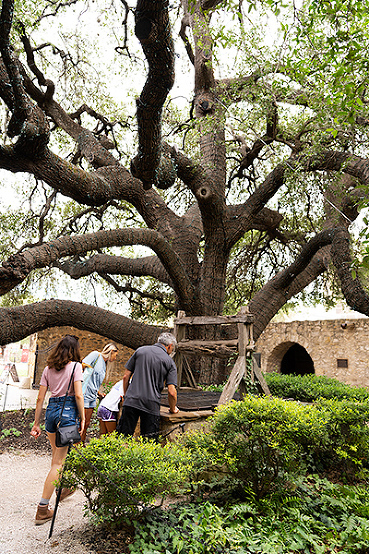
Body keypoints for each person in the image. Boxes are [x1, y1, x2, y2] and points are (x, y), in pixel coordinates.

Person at [30, 335, 85, 525]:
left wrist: (36, 423)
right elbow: (78, 394)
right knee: (58, 463)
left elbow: (39, 399)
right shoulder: (77, 367)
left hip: (51, 412)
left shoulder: (47, 369)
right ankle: (42, 509)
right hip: (68, 413)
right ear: (74, 350)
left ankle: (63, 489)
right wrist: (83, 417)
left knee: (56, 458)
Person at [117, 332, 179, 440]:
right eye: (172, 349)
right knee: (149, 443)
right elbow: (172, 392)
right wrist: (173, 408)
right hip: (151, 404)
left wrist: (127, 395)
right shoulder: (169, 362)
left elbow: (125, 376)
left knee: (122, 439)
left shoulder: (140, 350)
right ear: (170, 346)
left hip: (131, 400)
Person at [80, 343, 118, 443]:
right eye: (116, 355)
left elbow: (95, 380)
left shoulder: (105, 365)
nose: (115, 358)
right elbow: (82, 365)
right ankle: (76, 445)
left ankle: (81, 443)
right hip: (84, 394)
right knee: (81, 422)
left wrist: (98, 392)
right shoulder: (96, 355)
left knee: (87, 423)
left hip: (92, 396)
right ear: (111, 352)